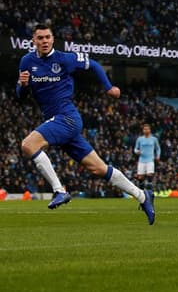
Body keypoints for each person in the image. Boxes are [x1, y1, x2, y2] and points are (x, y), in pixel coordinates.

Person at [15, 23, 154, 224]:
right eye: (40, 38)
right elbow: (21, 95)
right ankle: (142, 195)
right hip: (55, 121)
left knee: (28, 145)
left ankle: (59, 190)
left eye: (47, 37)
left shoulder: (65, 59)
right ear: (34, 41)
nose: (44, 41)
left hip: (67, 117)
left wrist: (108, 87)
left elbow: (95, 65)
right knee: (98, 168)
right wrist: (23, 85)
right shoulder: (26, 62)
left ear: (53, 39)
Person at [134, 123, 161, 190]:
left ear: (150, 130)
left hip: (150, 159)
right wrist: (137, 151)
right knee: (140, 177)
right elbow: (135, 149)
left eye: (147, 129)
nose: (146, 130)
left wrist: (158, 156)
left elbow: (158, 148)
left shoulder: (154, 139)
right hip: (142, 160)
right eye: (145, 129)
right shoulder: (140, 139)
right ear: (143, 130)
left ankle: (149, 191)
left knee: (150, 175)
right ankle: (142, 191)